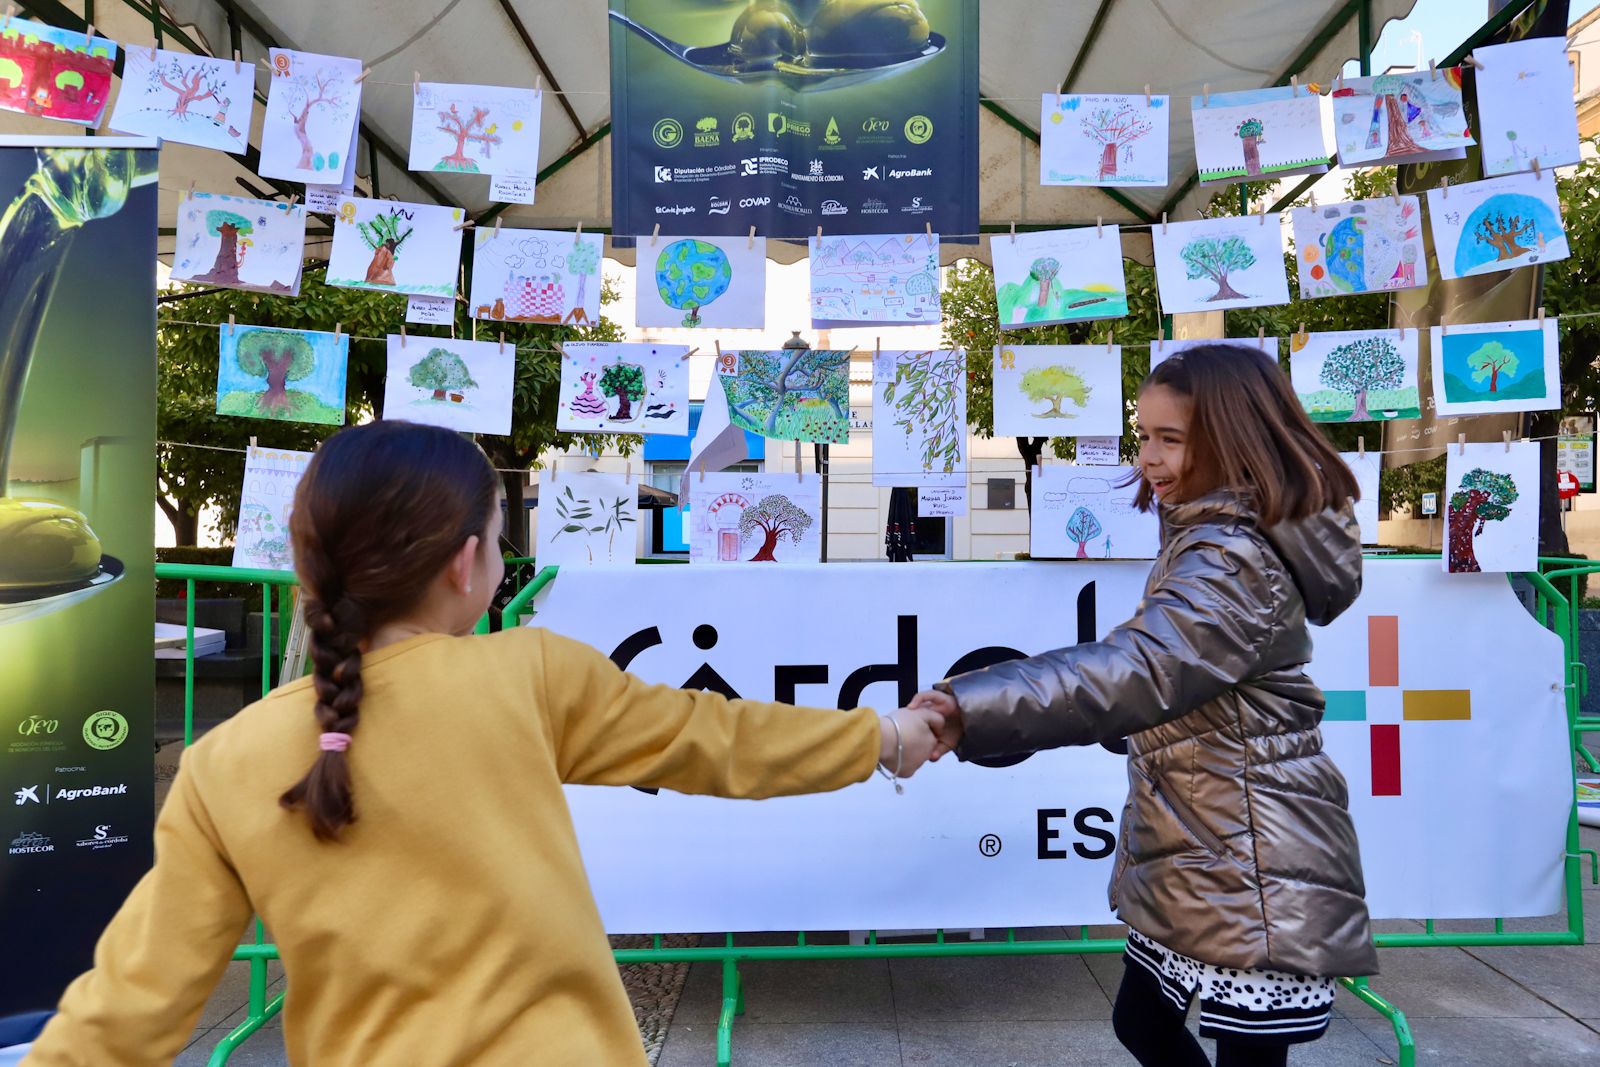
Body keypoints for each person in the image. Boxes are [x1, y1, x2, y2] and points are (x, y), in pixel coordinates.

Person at [26, 421, 944, 1066]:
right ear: (466, 562)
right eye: (502, 540)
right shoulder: (532, 675)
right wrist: (885, 735)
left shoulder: (223, 762)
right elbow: (722, 738)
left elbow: (128, 1011)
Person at [914, 344, 1376, 1067]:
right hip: (1208, 840)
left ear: (1232, 439)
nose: (1149, 459)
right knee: (1143, 1021)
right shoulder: (1211, 534)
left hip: (1249, 854)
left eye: (1171, 438)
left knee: (1221, 1049)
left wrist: (970, 707)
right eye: (1143, 436)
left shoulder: (1234, 557)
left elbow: (1137, 669)